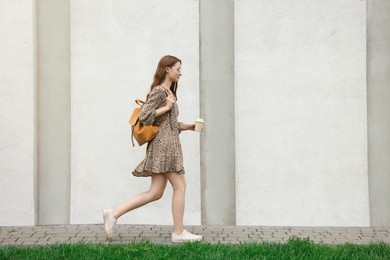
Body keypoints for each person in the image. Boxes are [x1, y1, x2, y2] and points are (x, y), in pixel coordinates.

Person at [103, 55, 202, 243]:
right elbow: (145, 116)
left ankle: (113, 214)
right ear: (167, 69)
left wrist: (187, 126)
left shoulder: (168, 93)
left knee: (155, 192)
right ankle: (179, 233)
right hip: (165, 147)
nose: (180, 72)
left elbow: (167, 123)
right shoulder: (159, 92)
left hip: (166, 144)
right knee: (180, 186)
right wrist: (166, 106)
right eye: (178, 68)